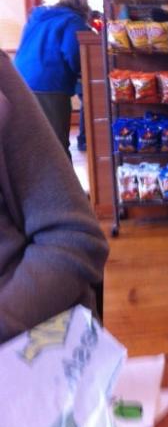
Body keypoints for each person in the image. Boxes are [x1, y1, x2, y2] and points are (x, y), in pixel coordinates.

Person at [0, 51, 108, 342]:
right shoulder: (75, 26)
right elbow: (75, 57)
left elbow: (74, 235)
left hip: (36, 348)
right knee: (59, 137)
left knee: (59, 137)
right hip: (51, 84)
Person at [14, 0, 91, 156]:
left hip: (19, 81)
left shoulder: (37, 17)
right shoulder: (73, 20)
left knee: (29, 140)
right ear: (84, 5)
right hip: (49, 83)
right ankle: (61, 174)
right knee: (56, 143)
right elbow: (73, 52)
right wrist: (83, 72)